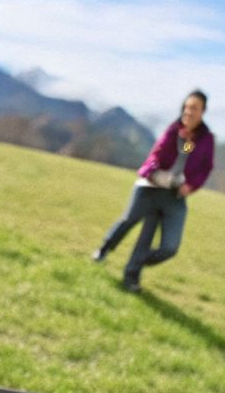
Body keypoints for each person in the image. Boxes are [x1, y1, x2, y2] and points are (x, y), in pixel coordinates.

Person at [92, 90, 215, 292]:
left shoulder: (204, 140)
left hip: (174, 196)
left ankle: (136, 264)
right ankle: (107, 251)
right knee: (129, 221)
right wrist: (153, 172)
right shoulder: (173, 131)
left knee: (169, 247)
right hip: (151, 188)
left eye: (194, 108)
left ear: (203, 112)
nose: (189, 112)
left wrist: (190, 185)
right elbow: (157, 156)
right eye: (186, 107)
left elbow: (203, 166)